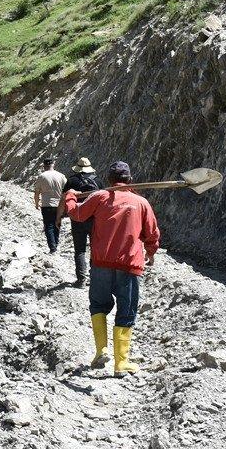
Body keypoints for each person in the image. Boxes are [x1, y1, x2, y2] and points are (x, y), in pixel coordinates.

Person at [63, 161, 160, 376]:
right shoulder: (141, 202)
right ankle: (121, 363)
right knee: (126, 311)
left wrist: (70, 196)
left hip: (101, 264)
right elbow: (152, 233)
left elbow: (76, 214)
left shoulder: (99, 197)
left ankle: (101, 350)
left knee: (98, 305)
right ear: (130, 179)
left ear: (108, 179)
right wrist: (151, 252)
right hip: (129, 265)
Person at [58, 157, 99, 288]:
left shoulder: (71, 181)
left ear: (77, 168)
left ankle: (81, 280)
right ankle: (94, 278)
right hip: (94, 219)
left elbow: (64, 199)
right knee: (95, 249)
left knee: (80, 250)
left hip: (77, 219)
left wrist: (58, 217)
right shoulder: (97, 181)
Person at [32, 158, 67, 253]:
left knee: (48, 226)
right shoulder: (61, 176)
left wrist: (36, 203)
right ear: (53, 164)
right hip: (59, 205)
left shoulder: (42, 176)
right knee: (57, 224)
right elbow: (67, 190)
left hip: (47, 204)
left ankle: (52, 247)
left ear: (44, 166)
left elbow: (37, 192)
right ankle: (56, 243)